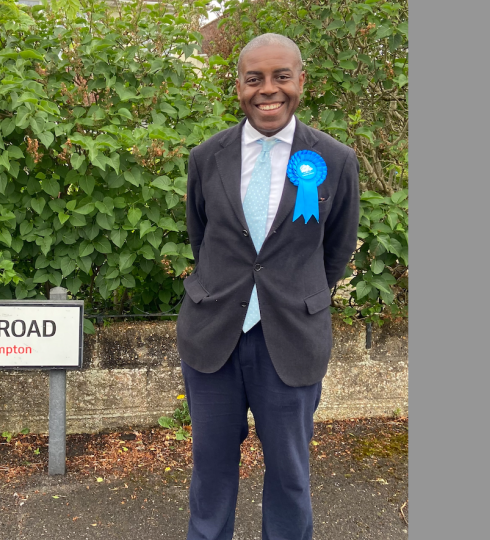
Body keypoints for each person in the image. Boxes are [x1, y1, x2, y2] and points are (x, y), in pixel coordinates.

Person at [175, 33, 360, 540]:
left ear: (302, 81)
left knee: (289, 476)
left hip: (291, 340)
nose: (268, 90)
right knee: (210, 472)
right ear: (238, 86)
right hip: (213, 337)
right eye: (254, 78)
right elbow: (202, 237)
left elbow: (337, 248)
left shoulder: (335, 161)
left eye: (281, 76)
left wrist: (293, 297)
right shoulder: (206, 157)